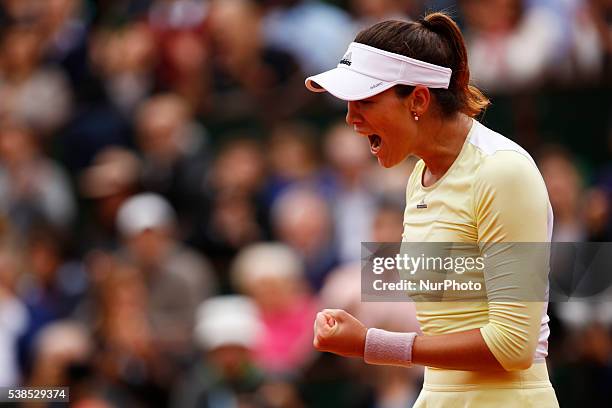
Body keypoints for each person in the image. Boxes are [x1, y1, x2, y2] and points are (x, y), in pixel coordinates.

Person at [305, 13, 559, 407]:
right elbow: (457, 312)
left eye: (366, 101)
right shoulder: (420, 176)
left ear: (419, 100)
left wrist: (372, 344)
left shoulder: (502, 171)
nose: (351, 118)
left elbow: (513, 346)